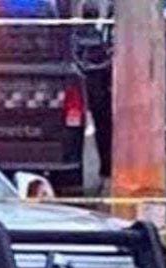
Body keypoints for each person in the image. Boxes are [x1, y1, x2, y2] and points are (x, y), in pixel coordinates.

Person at [74, 0, 114, 189]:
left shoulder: (75, 36)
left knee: (76, 134)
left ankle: (80, 171)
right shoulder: (100, 37)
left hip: (81, 90)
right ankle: (106, 170)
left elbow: (75, 60)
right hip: (99, 91)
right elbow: (107, 62)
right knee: (104, 131)